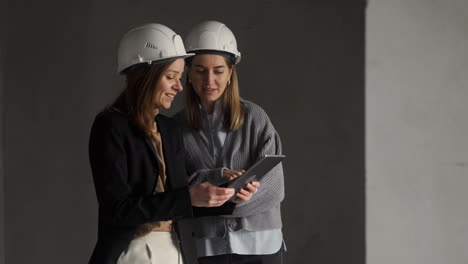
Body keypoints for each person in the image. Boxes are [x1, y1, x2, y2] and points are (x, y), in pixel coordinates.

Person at [88, 23, 236, 264]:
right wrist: (188, 197)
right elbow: (118, 209)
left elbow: (180, 202)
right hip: (133, 252)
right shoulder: (110, 126)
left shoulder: (169, 129)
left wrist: (228, 195)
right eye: (170, 77)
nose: (179, 86)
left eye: (179, 77)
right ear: (145, 77)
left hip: (176, 249)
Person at [174, 21, 285, 264]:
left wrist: (227, 199)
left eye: (218, 70)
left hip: (261, 244)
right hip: (208, 246)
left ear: (231, 72)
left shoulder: (256, 117)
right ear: (188, 72)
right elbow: (176, 188)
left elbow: (275, 187)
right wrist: (221, 177)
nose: (209, 80)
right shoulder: (176, 128)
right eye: (200, 70)